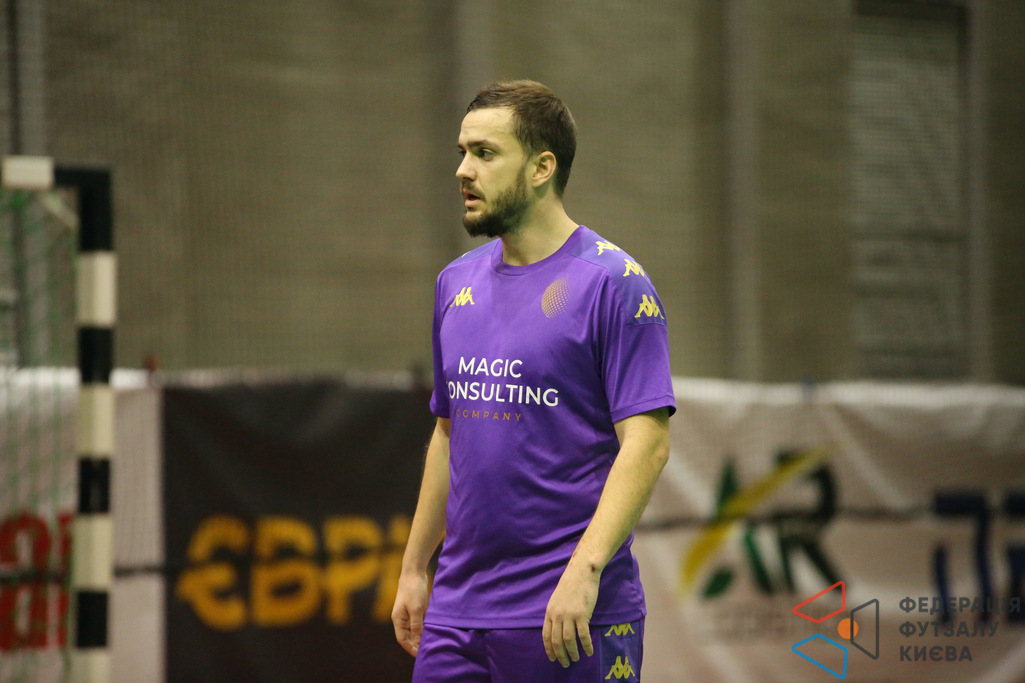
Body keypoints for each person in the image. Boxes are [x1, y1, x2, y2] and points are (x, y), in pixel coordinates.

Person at [392, 80, 675, 682]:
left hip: (569, 615)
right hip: (457, 615)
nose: (464, 171)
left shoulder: (614, 283)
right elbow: (448, 434)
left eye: (485, 154)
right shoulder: (454, 283)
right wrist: (415, 568)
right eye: (462, 153)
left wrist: (585, 573)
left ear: (543, 167)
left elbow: (647, 444)